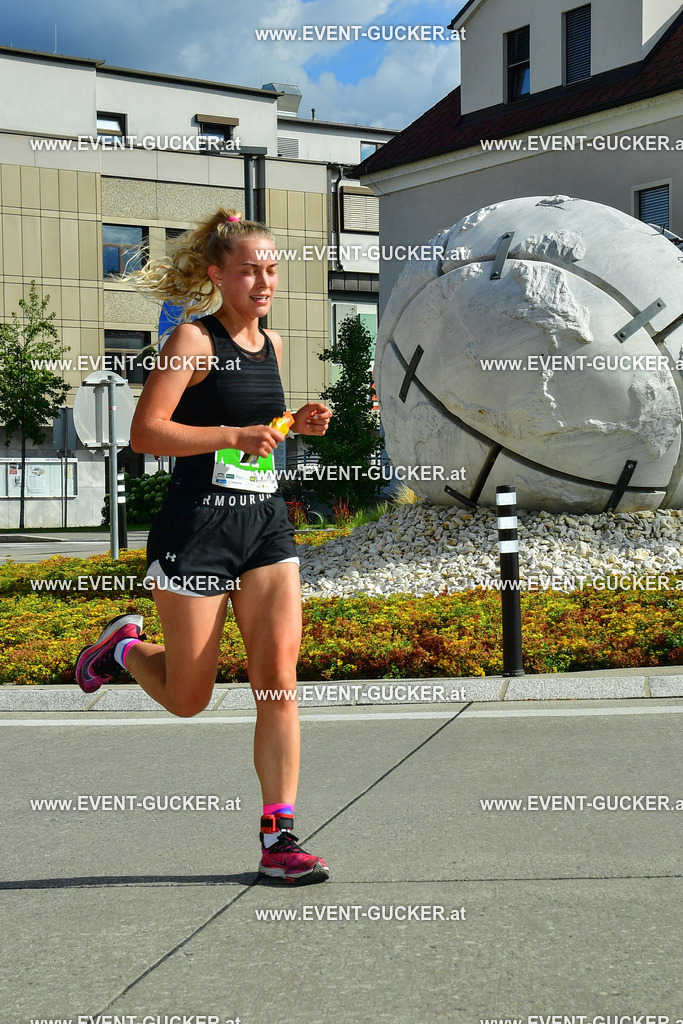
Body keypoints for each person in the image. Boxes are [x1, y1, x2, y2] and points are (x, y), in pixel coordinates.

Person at [75, 208, 332, 885]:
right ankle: (123, 648)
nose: (263, 281)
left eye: (271, 269)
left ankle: (279, 836)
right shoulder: (192, 339)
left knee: (277, 681)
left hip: (264, 527)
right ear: (218, 274)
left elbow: (255, 427)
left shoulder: (272, 346)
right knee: (188, 697)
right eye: (249, 270)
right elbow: (146, 433)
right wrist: (232, 436)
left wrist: (293, 423)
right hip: (196, 530)